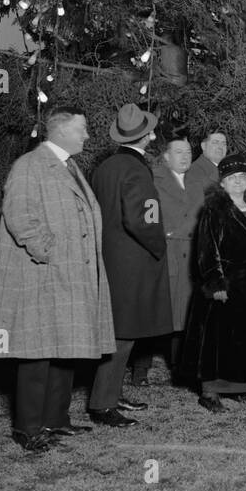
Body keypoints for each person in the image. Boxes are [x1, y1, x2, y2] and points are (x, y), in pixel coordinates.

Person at [0, 106, 116, 455]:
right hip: (43, 275)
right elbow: (19, 216)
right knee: (37, 354)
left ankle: (56, 418)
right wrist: (49, 253)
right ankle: (28, 427)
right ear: (60, 131)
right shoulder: (30, 166)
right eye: (82, 129)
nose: (87, 135)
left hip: (71, 275)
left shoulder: (69, 166)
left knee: (67, 348)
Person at [88, 104, 172, 426]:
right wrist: (158, 244)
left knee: (117, 332)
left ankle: (112, 394)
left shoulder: (105, 167)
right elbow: (145, 217)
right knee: (122, 335)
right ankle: (103, 404)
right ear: (146, 137)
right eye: (151, 130)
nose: (153, 134)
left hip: (109, 258)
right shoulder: (137, 169)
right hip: (132, 262)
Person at [182, 152, 246, 412]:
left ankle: (238, 386)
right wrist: (216, 284)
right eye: (231, 178)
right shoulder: (215, 209)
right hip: (226, 285)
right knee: (218, 338)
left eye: (241, 177)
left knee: (243, 337)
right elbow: (206, 249)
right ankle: (209, 392)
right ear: (222, 182)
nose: (237, 182)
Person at [150, 129, 205, 380]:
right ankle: (141, 368)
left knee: (187, 313)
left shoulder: (198, 183)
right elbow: (149, 221)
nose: (185, 156)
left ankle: (181, 366)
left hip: (193, 255)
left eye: (189, 152)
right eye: (179, 152)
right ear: (165, 156)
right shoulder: (153, 180)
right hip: (168, 254)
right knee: (163, 314)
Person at [186, 128, 228, 195]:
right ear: (203, 146)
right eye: (215, 142)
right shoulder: (194, 173)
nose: (220, 147)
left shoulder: (226, 170)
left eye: (224, 143)